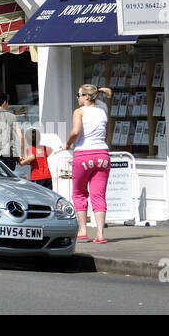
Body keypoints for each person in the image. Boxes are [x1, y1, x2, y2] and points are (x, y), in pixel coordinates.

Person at [65, 83, 113, 243]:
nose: (77, 98)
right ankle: (100, 235)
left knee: (79, 193)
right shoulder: (103, 112)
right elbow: (106, 133)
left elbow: (76, 131)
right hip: (102, 154)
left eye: (78, 95)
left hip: (83, 154)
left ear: (86, 96)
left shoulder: (79, 112)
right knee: (98, 195)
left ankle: (83, 230)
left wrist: (67, 143)